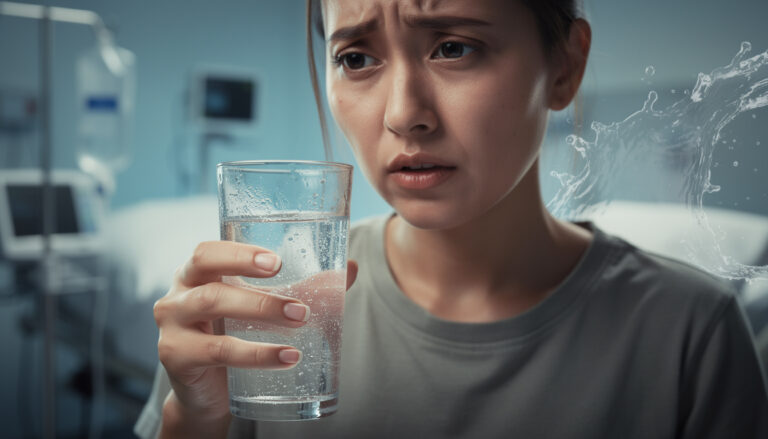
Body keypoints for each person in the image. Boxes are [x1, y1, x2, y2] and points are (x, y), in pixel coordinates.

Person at [136, 1, 768, 438]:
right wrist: (193, 424)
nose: (404, 114)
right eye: (356, 58)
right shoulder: (269, 314)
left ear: (565, 67)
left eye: (454, 46)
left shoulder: (693, 334)